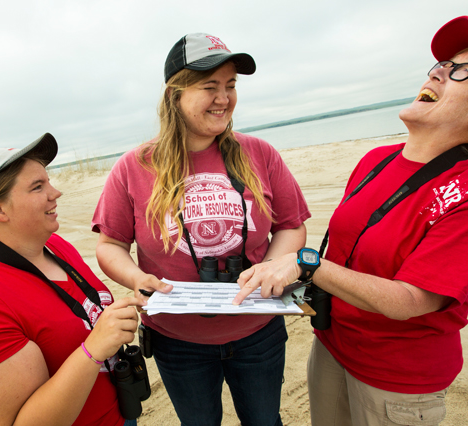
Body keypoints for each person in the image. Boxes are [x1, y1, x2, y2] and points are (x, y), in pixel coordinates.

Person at [232, 16, 468, 425]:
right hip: (332, 347)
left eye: (463, 70)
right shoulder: (374, 161)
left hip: (397, 377)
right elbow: (349, 258)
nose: (438, 71)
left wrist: (307, 263)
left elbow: (411, 301)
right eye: (441, 65)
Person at [92, 33, 310, 426]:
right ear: (175, 95)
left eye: (231, 86)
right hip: (178, 340)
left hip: (258, 331)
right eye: (210, 87)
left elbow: (291, 226)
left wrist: (271, 267)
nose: (224, 98)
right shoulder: (134, 166)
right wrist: (137, 277)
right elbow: (110, 244)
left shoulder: (259, 153)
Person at [0, 133, 144, 426]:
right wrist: (93, 349)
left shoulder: (56, 247)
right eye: (37, 187)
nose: (55, 192)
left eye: (48, 181)